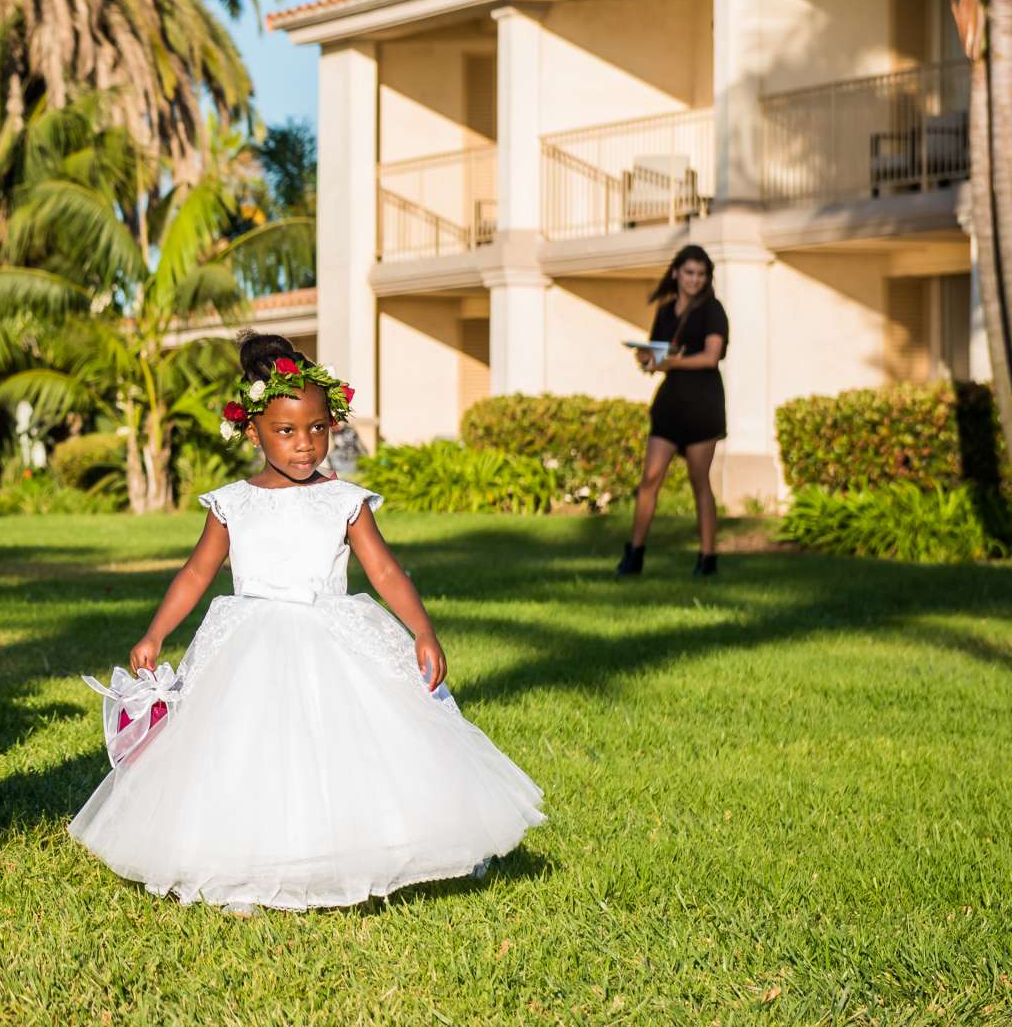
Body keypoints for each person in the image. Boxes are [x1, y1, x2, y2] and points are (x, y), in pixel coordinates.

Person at [67, 333, 543, 914]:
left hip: (333, 638)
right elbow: (196, 574)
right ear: (253, 431)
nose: (304, 444)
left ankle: (348, 853)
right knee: (244, 751)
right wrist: (155, 633)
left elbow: (386, 572)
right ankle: (245, 854)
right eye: (286, 431)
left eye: (317, 429)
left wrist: (422, 629)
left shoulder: (344, 500)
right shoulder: (232, 503)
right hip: (247, 647)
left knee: (343, 750)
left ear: (333, 425)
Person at [617, 244, 730, 579]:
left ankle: (707, 558)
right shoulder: (666, 311)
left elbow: (711, 357)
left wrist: (672, 362)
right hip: (670, 403)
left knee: (699, 481)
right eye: (689, 272)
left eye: (701, 274)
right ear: (676, 273)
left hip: (703, 404)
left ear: (706, 277)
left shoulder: (713, 311)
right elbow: (657, 354)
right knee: (650, 478)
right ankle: (634, 554)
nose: (694, 280)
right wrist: (648, 361)